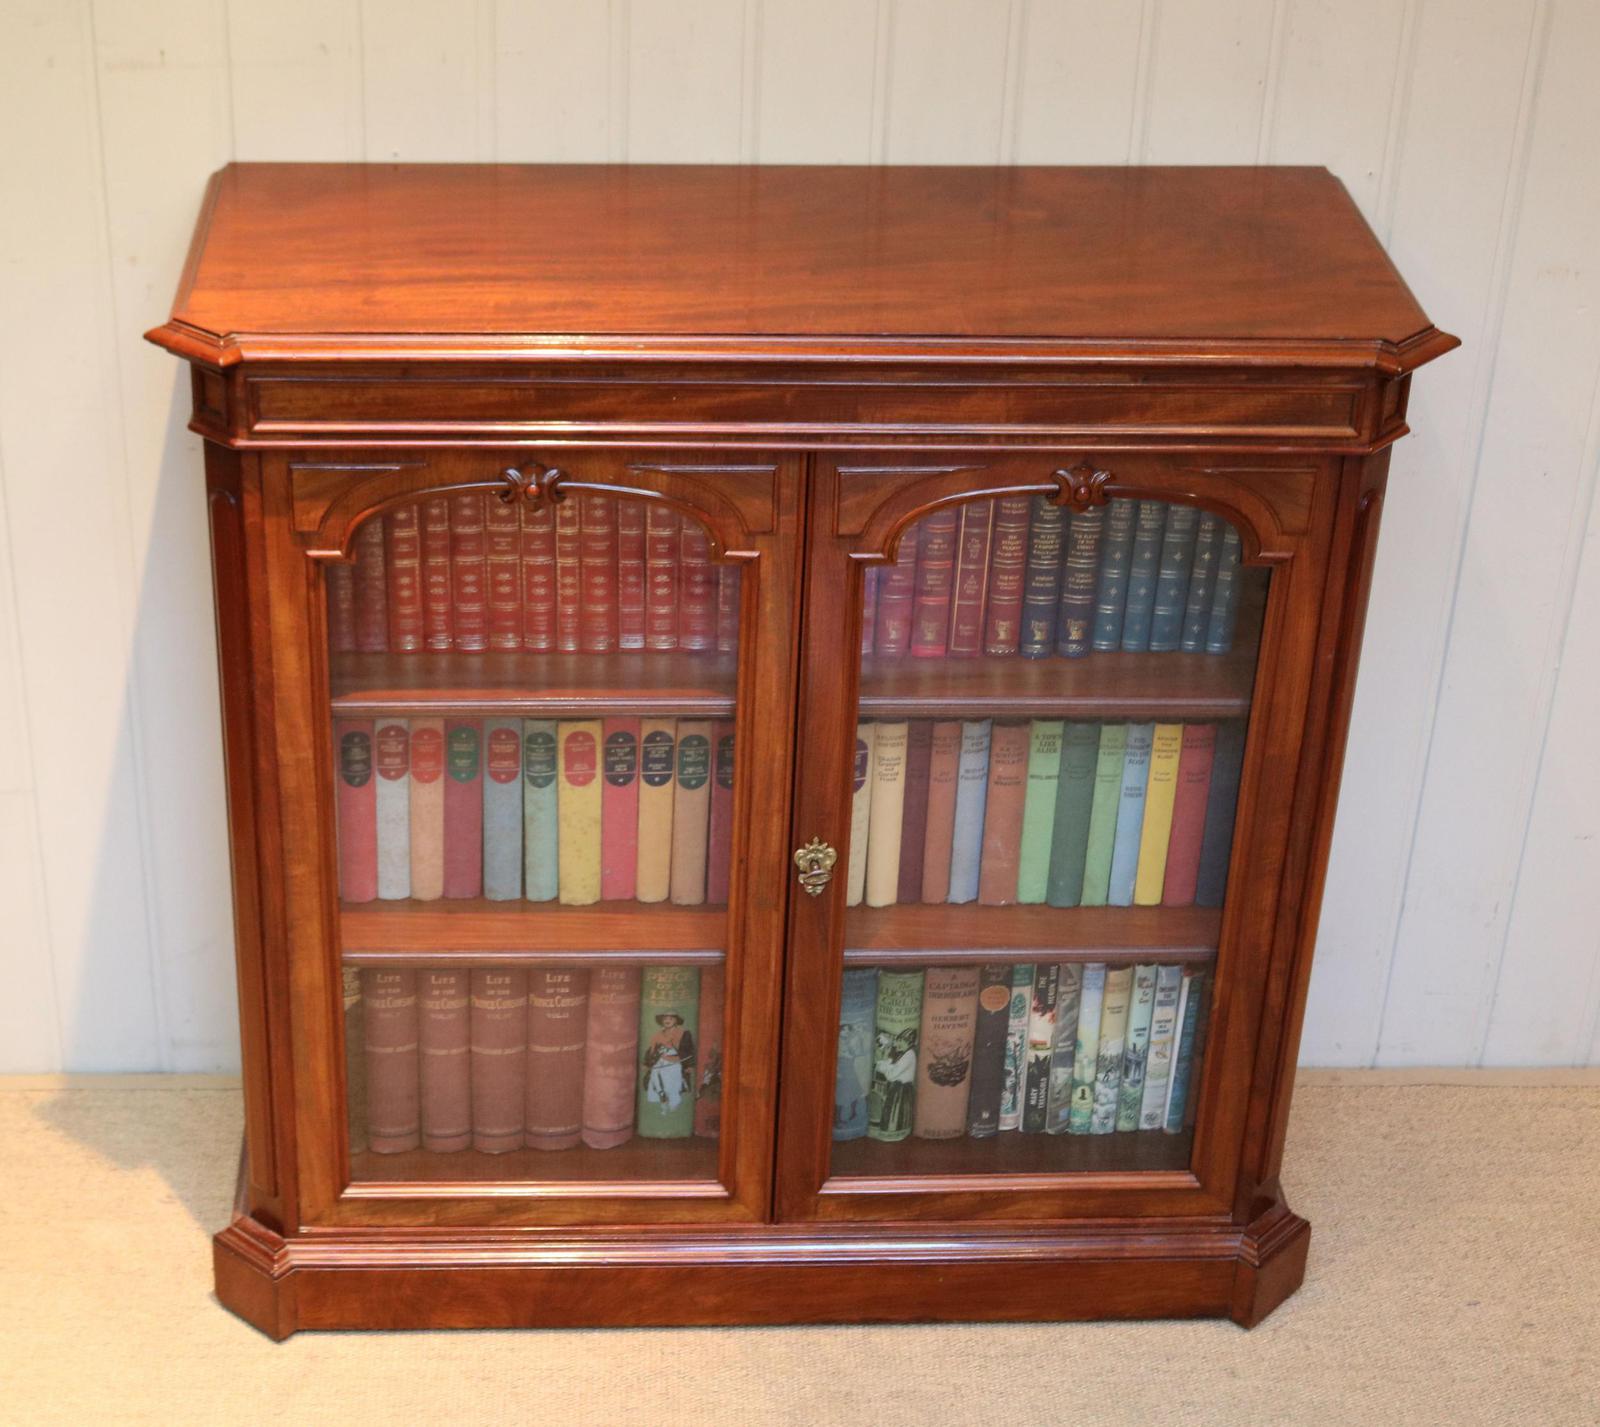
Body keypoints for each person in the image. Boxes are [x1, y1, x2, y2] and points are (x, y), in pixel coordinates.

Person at [642, 1011, 696, 1114]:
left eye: (671, 1019)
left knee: (673, 1085)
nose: (667, 1021)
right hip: (659, 1060)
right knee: (654, 1079)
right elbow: (651, 1050)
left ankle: (674, 1105)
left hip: (675, 1061)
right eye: (665, 1019)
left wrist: (690, 1065)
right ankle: (661, 1100)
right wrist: (647, 1063)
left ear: (676, 1021)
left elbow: (688, 1050)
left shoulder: (683, 1033)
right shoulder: (658, 1035)